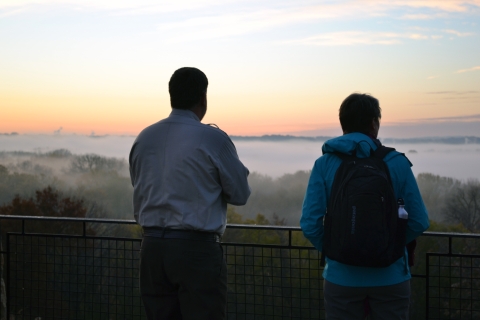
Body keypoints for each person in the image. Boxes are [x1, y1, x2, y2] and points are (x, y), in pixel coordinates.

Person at [129, 67, 251, 320]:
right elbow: (240, 194)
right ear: (203, 98)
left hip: (151, 249)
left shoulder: (145, 137)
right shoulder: (213, 139)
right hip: (196, 251)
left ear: (171, 95)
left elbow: (138, 182)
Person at [300, 93, 429, 320]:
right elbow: (419, 221)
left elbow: (310, 224)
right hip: (390, 277)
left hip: (341, 279)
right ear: (374, 123)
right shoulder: (397, 162)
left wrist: (338, 250)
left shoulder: (324, 164)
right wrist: (391, 246)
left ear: (343, 124)